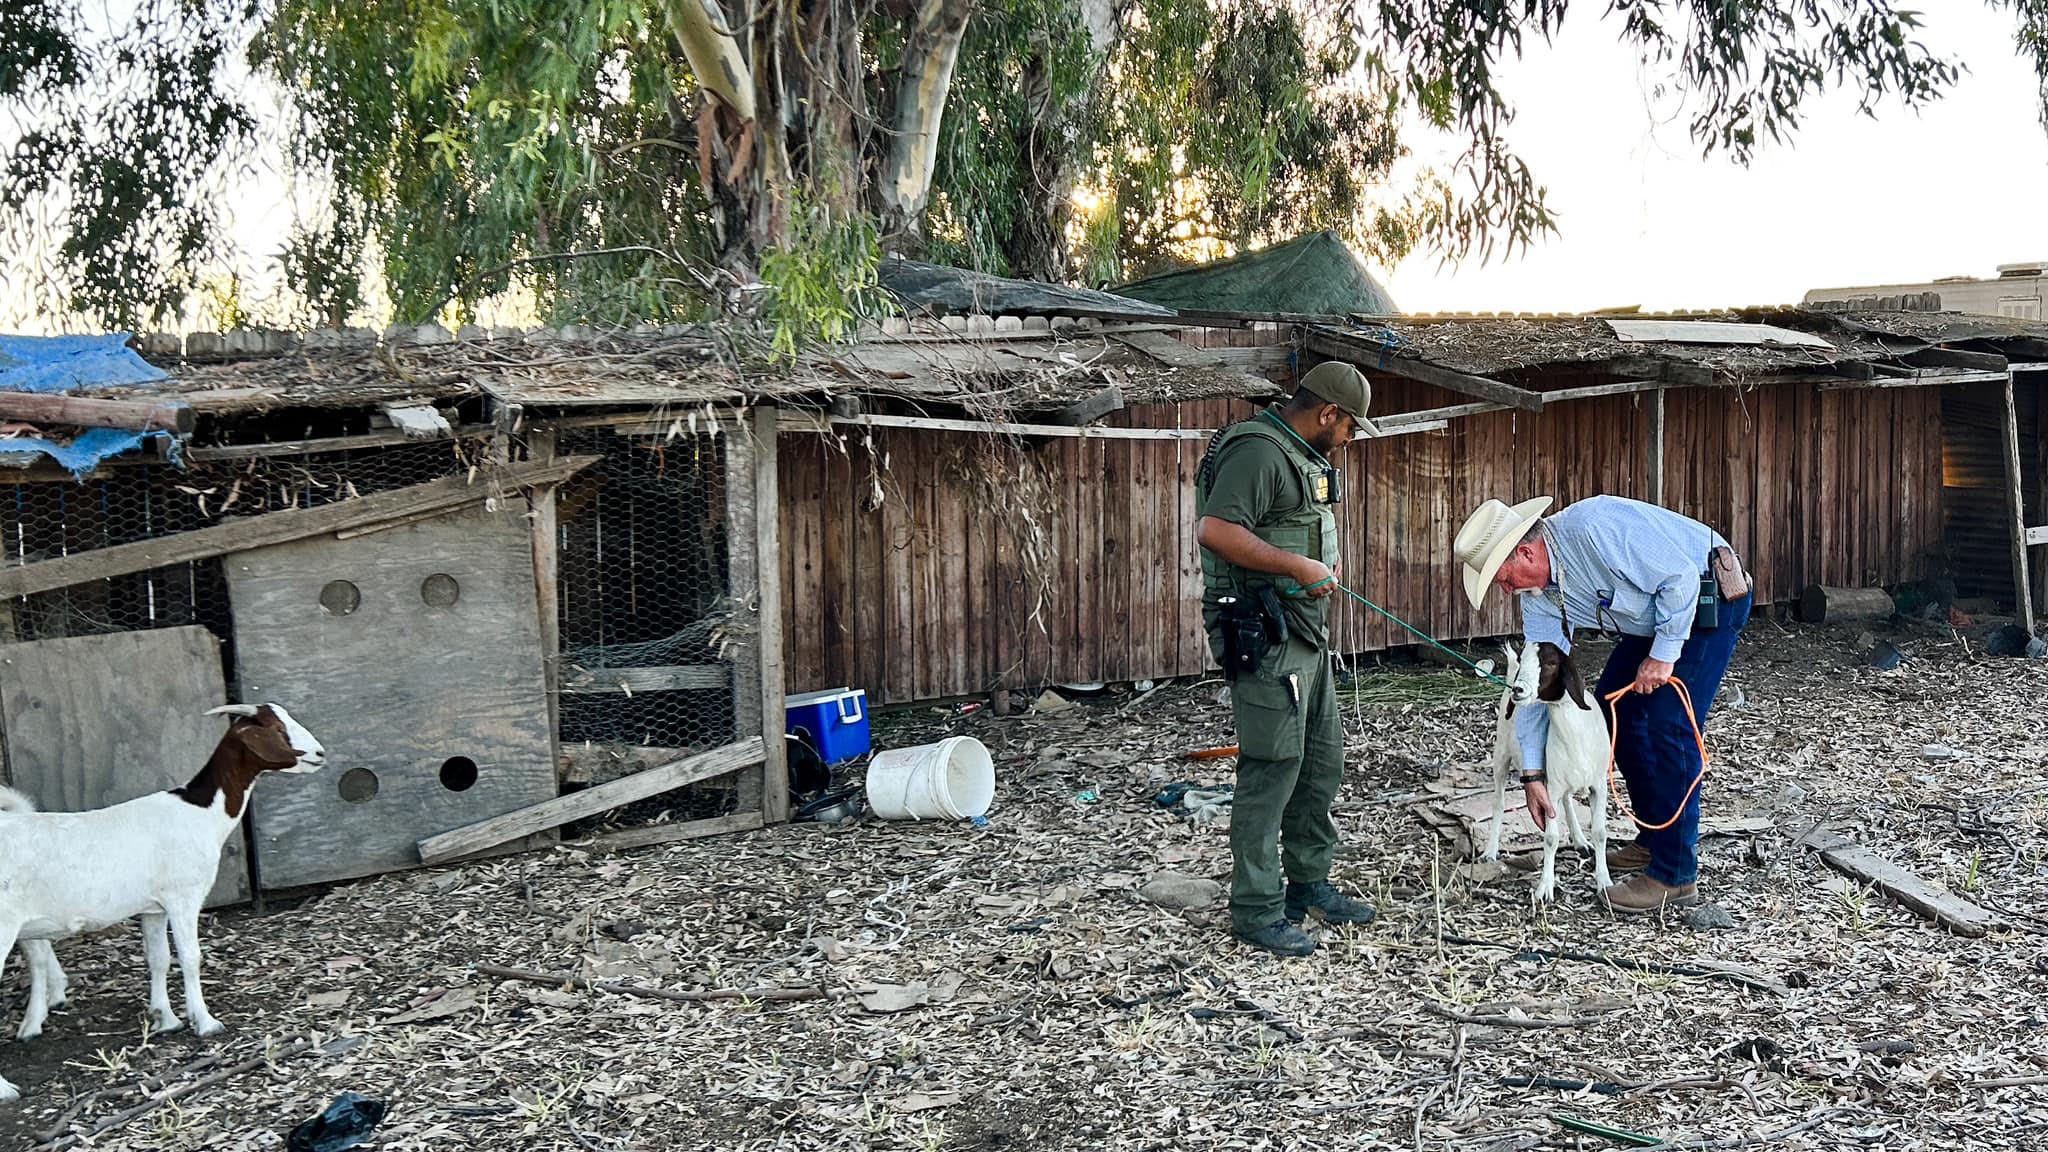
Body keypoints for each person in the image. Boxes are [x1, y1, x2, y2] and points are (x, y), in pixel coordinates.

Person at [1453, 493, 1752, 913]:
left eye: (1504, 578)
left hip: (1706, 599)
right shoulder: (1538, 596)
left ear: (1525, 551)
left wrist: (1664, 655)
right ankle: (1653, 839)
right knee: (1614, 710)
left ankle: (1676, 874)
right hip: (1652, 618)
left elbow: (1680, 579)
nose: (1506, 590)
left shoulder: (1595, 529)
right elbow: (1541, 684)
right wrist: (1533, 775)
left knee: (1670, 726)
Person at [1194, 361, 1381, 956]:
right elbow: (1216, 531)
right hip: (1265, 632)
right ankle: (1255, 908)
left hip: (1304, 631)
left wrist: (1310, 568)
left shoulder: (1299, 452)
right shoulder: (1258, 451)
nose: (1351, 438)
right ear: (1328, 412)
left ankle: (1308, 884)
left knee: (1320, 764)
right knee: (1272, 769)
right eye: (1351, 426)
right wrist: (1299, 566)